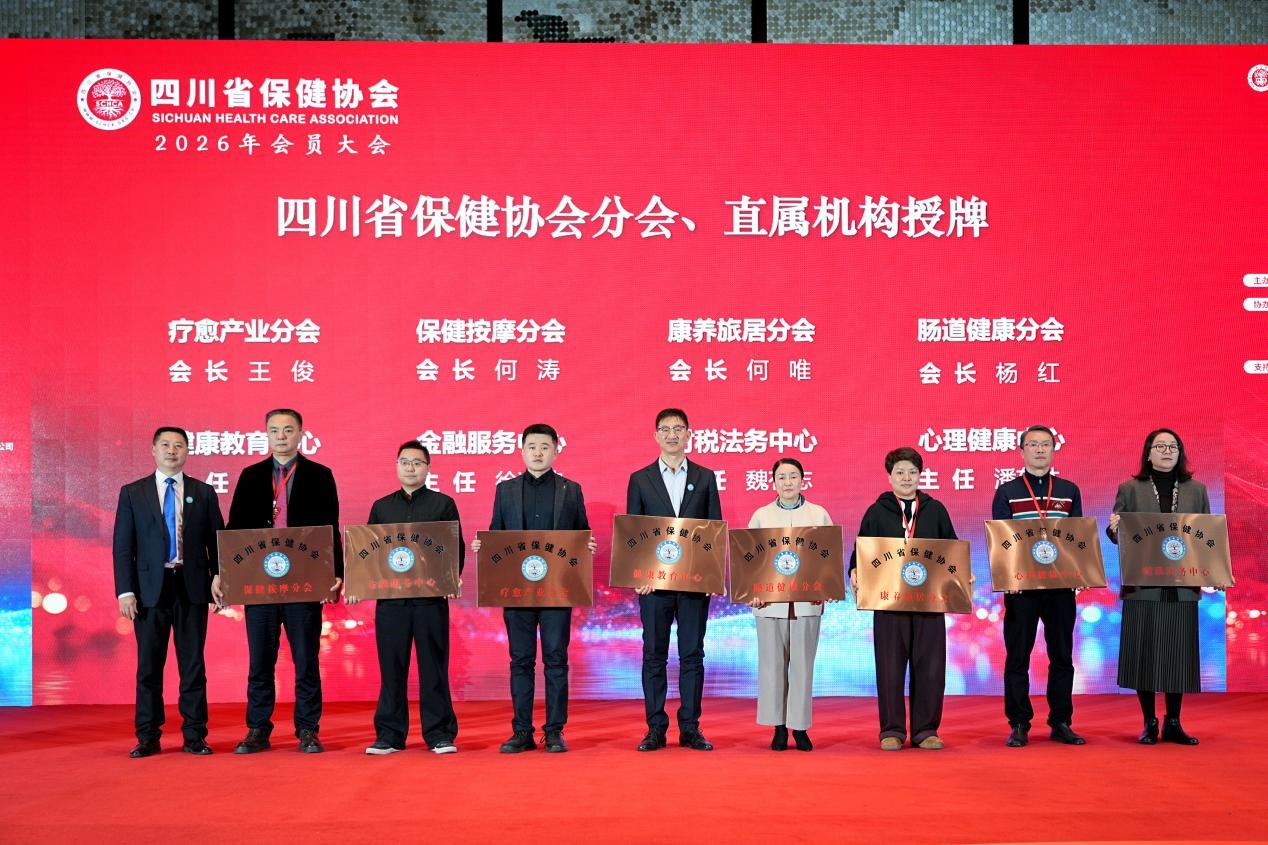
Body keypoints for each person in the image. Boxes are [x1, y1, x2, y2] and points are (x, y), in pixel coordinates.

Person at [215, 408, 341, 754]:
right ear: (266, 435)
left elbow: (330, 529)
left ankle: (308, 729)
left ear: (301, 434)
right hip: (260, 584)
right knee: (260, 662)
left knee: (306, 660)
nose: (281, 436)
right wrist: (224, 574)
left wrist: (336, 574)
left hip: (304, 583)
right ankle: (258, 728)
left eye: (288, 430)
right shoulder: (251, 476)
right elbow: (234, 530)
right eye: (274, 430)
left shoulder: (320, 475)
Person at [471, 424, 596, 754]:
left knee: (556, 659)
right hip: (517, 591)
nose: (538, 452)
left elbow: (581, 535)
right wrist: (484, 546)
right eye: (532, 446)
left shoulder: (571, 490)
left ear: (556, 450)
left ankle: (554, 731)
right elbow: (497, 534)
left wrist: (588, 545)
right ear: (522, 450)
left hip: (557, 591)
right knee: (520, 660)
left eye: (544, 446)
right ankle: (521, 731)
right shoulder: (505, 490)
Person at [113, 426, 224, 757]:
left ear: (188, 451)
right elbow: (123, 547)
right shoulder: (133, 493)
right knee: (149, 666)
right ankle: (148, 735)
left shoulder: (204, 492)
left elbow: (217, 542)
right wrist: (125, 592)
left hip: (192, 587)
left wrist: (219, 577)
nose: (172, 451)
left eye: (178, 445)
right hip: (149, 591)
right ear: (153, 450)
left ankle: (194, 735)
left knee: (193, 665)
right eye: (165, 445)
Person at [1107, 428, 1220, 746]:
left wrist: (1215, 572)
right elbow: (1119, 535)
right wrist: (1113, 528)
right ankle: (1149, 722)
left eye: (1173, 446)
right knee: (1144, 652)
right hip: (1143, 583)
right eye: (1160, 446)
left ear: (1180, 452)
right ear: (1148, 453)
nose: (1167, 451)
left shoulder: (1197, 490)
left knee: (1177, 653)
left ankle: (1173, 721)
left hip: (1182, 585)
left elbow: (1207, 537)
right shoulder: (1130, 488)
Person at [848, 447, 959, 751]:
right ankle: (892, 730)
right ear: (890, 477)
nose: (907, 478)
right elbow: (861, 550)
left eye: (912, 472)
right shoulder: (876, 511)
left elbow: (951, 549)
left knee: (931, 667)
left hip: (929, 602)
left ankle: (926, 730)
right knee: (889, 667)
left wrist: (962, 575)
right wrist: (854, 570)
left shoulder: (936, 510)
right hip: (889, 603)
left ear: (921, 475)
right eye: (900, 472)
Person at [626, 407, 723, 752]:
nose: (672, 435)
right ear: (656, 436)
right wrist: (640, 574)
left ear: (688, 435)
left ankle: (690, 728)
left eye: (678, 429)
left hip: (693, 583)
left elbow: (713, 528)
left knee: (692, 655)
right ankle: (655, 728)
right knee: (654, 655)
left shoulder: (705, 477)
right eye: (665, 429)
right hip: (654, 585)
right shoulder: (640, 479)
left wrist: (711, 575)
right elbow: (635, 531)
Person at [357, 440, 463, 755]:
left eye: (417, 462)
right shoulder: (382, 507)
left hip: (430, 600)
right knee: (392, 669)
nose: (411, 468)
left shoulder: (443, 504)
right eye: (405, 462)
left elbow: (454, 546)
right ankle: (389, 735)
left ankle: (439, 734)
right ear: (397, 466)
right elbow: (370, 552)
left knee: (433, 668)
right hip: (391, 602)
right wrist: (361, 584)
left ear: (428, 468)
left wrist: (451, 578)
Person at [991, 424, 1085, 747]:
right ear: (1022, 451)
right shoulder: (1007, 491)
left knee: (1062, 656)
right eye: (1033, 444)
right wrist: (1008, 578)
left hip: (1060, 587)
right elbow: (1002, 541)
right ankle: (1019, 722)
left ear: (1054, 450)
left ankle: (1061, 721)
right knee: (1018, 656)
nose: (1040, 449)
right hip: (1022, 588)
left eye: (1046, 444)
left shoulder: (1069, 490)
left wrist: (1080, 574)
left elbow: (1077, 539)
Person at [747, 458, 831, 752]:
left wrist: (828, 587)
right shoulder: (761, 515)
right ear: (773, 482)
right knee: (772, 666)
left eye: (793, 476)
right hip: (769, 605)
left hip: (806, 604)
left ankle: (800, 727)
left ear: (802, 480)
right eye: (781, 477)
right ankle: (778, 727)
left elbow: (827, 558)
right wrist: (752, 591)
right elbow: (749, 561)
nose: (787, 482)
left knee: (803, 667)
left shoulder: (818, 514)